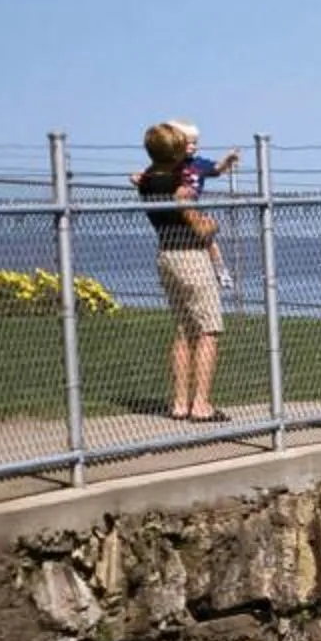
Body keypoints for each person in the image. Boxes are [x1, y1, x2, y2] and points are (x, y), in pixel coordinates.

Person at [136, 122, 227, 421]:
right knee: (208, 329)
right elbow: (199, 227)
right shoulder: (181, 187)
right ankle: (201, 404)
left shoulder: (147, 181)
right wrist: (212, 223)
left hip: (166, 255)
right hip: (191, 256)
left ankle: (179, 402)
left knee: (183, 328)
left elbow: (143, 177)